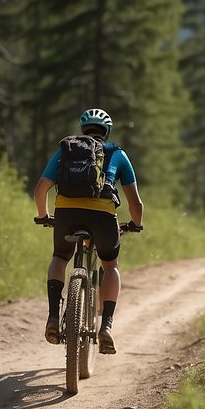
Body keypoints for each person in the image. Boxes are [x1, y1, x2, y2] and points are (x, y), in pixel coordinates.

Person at [33, 108, 142, 354]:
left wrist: (43, 216)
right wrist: (135, 223)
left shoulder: (66, 150)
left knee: (60, 258)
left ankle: (52, 317)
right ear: (107, 131)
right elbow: (136, 203)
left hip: (66, 212)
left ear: (84, 130)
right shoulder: (117, 153)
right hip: (103, 216)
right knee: (110, 265)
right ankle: (106, 327)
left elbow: (41, 190)